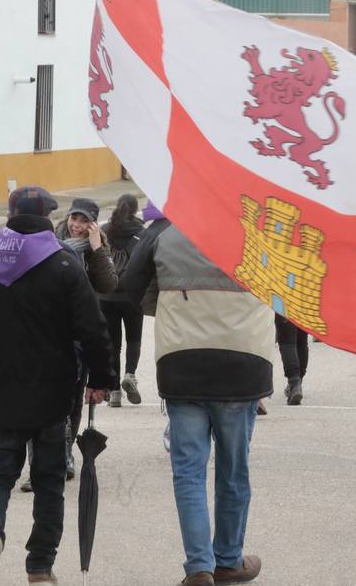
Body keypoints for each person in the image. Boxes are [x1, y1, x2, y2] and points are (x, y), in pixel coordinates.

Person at [0, 186, 111, 585]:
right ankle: (39, 566)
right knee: (49, 480)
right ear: (47, 217)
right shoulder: (64, 264)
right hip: (52, 397)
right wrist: (102, 379)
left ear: (11, 214)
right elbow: (94, 328)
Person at [121, 218, 273, 586]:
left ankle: (199, 567)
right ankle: (228, 560)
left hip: (182, 362)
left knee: (188, 472)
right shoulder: (263, 225)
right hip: (244, 362)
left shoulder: (162, 231)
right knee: (233, 469)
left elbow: (127, 290)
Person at [55, 197, 118, 479]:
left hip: (81, 336)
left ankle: (65, 452)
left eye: (84, 221)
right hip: (52, 331)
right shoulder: (50, 241)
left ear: (93, 224)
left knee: (74, 400)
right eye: (74, 219)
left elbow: (108, 284)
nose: (77, 226)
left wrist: (96, 250)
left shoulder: (98, 249)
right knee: (49, 399)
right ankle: (46, 458)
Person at [101, 193, 146, 408]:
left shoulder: (105, 231)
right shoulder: (141, 232)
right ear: (136, 209)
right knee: (133, 339)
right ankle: (130, 374)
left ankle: (115, 391)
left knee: (112, 343)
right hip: (132, 294)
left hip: (106, 294)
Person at [275, 314, 310, 406]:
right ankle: (298, 382)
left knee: (287, 341)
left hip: (285, 302)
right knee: (301, 340)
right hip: (304, 302)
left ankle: (294, 383)